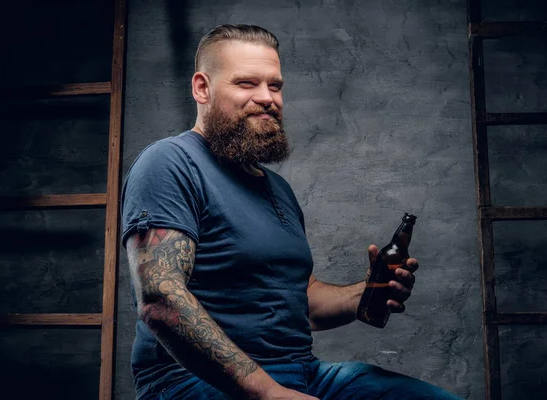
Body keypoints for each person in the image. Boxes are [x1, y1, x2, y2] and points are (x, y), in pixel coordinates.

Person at [121, 24, 461, 400]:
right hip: (191, 382)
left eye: (276, 85)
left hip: (300, 372)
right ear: (203, 88)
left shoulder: (276, 189)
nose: (267, 98)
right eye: (247, 83)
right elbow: (159, 299)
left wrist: (368, 291)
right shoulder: (170, 162)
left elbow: (304, 303)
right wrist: (267, 393)